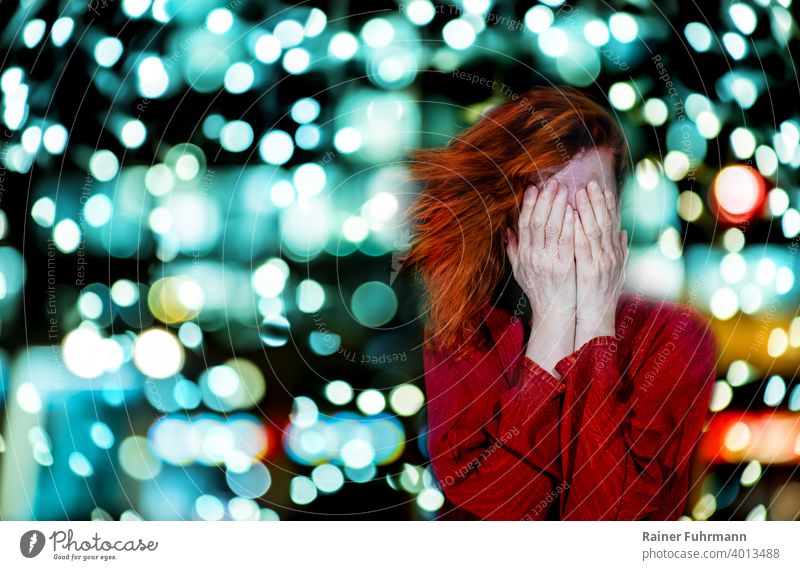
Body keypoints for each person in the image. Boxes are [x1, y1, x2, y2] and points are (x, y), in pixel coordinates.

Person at [404, 85, 717, 520]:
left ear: (617, 212)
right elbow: (502, 509)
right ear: (509, 218)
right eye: (546, 203)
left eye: (590, 202)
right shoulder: (465, 331)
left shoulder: (674, 338)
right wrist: (553, 318)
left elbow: (620, 522)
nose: (568, 227)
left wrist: (594, 319)